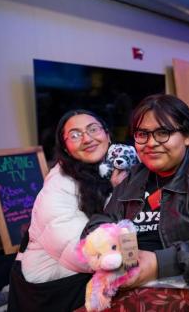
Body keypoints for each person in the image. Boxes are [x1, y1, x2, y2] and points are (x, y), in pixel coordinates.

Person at [84, 94, 189, 310]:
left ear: (188, 137)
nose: (151, 143)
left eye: (163, 133)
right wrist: (106, 245)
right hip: (129, 278)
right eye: (142, 134)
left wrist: (159, 263)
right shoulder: (135, 176)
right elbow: (103, 220)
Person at [8, 109, 128, 311]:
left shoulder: (112, 169)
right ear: (65, 148)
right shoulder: (58, 185)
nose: (87, 138)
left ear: (107, 134)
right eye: (75, 135)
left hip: (85, 271)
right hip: (51, 290)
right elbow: (84, 254)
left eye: (93, 129)